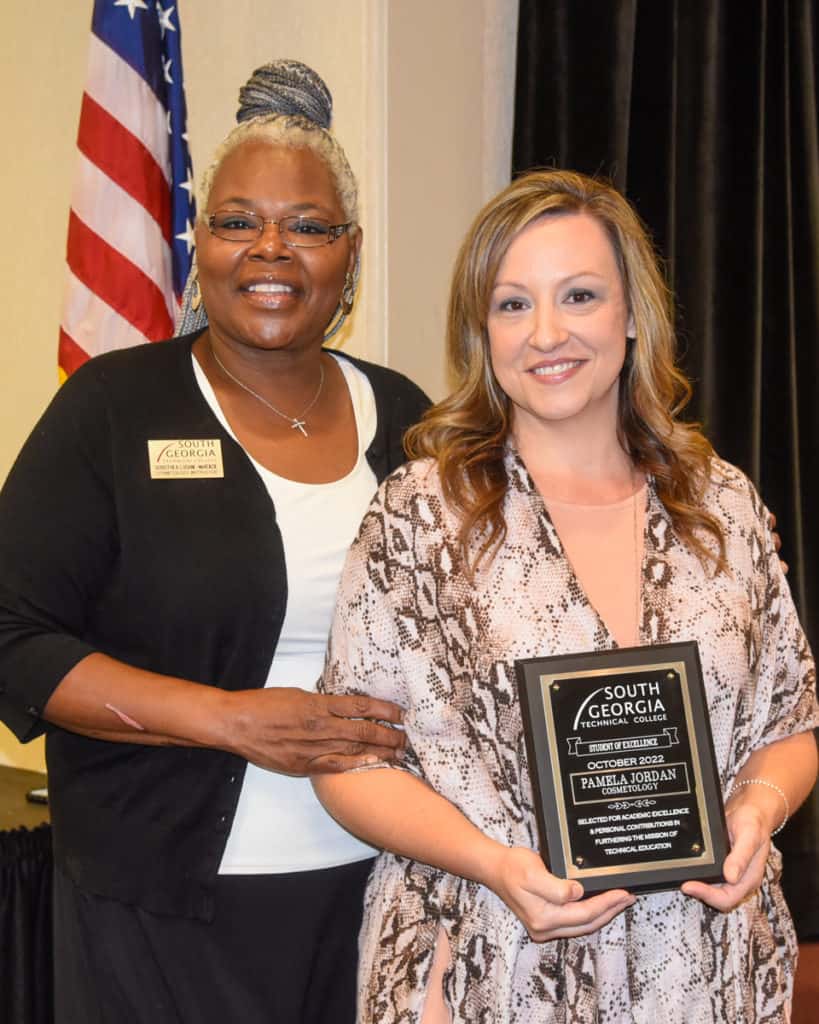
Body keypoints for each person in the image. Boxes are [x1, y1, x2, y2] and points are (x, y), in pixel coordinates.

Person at [314, 169, 819, 1023]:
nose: (545, 333)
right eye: (512, 304)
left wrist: (757, 810)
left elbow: (789, 724)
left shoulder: (721, 502)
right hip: (491, 963)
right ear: (480, 330)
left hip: (701, 971)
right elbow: (351, 759)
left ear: (631, 315)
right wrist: (491, 862)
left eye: (578, 295)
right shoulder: (420, 516)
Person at [0, 61, 428, 1023]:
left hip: (380, 892)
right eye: (238, 221)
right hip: (158, 907)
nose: (270, 250)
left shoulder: (407, 417)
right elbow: (13, 636)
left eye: (308, 227)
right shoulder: (113, 409)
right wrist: (224, 718)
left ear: (348, 253)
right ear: (200, 242)